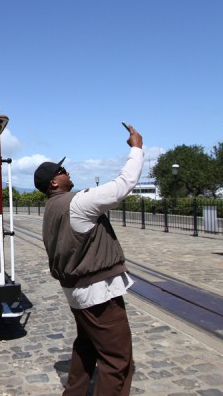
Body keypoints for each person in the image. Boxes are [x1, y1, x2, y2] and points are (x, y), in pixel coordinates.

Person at [33, 123, 143, 396]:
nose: (66, 172)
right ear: (54, 183)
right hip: (98, 293)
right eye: (61, 171)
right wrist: (136, 149)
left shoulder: (51, 208)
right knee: (117, 360)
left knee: (87, 346)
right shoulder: (77, 203)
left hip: (76, 291)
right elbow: (122, 186)